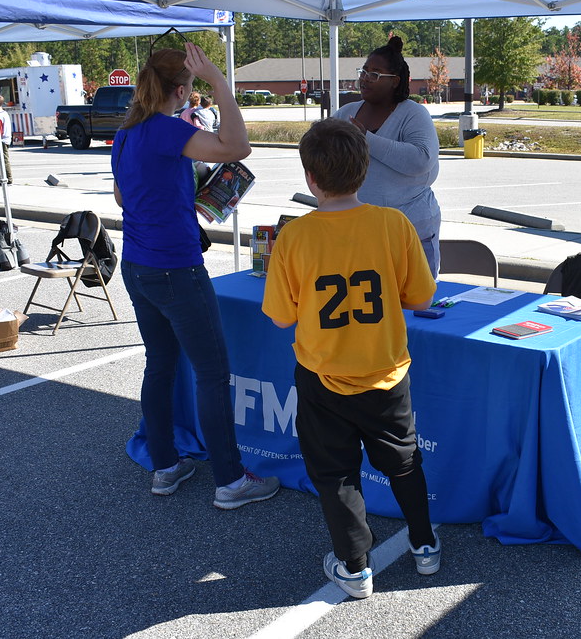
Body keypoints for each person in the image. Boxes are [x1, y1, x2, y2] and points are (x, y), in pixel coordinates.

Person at [262, 118, 441, 599]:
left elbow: (281, 319)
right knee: (403, 463)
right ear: (364, 169)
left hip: (323, 378)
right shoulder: (394, 224)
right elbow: (422, 299)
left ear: (310, 178)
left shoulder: (295, 237)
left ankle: (354, 567)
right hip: (385, 374)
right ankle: (424, 545)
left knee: (335, 473)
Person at [111, 43, 280, 507]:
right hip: (175, 267)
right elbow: (237, 146)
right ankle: (230, 480)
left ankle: (164, 467)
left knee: (159, 365)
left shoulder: (128, 133)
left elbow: (124, 198)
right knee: (211, 373)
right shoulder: (166, 131)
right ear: (183, 90)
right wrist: (221, 84)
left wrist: (174, 193)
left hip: (138, 265)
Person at [333, 36, 442, 277]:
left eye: (375, 73)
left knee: (414, 305)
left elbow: (421, 160)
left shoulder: (413, 114)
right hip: (357, 234)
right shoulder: (346, 113)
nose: (364, 78)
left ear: (394, 81)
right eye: (364, 71)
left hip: (410, 233)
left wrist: (365, 138)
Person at [0, 94, 13, 186]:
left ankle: (8, 178)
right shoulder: (4, 113)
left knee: (3, 159)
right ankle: (2, 176)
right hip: (5, 138)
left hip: (3, 140)